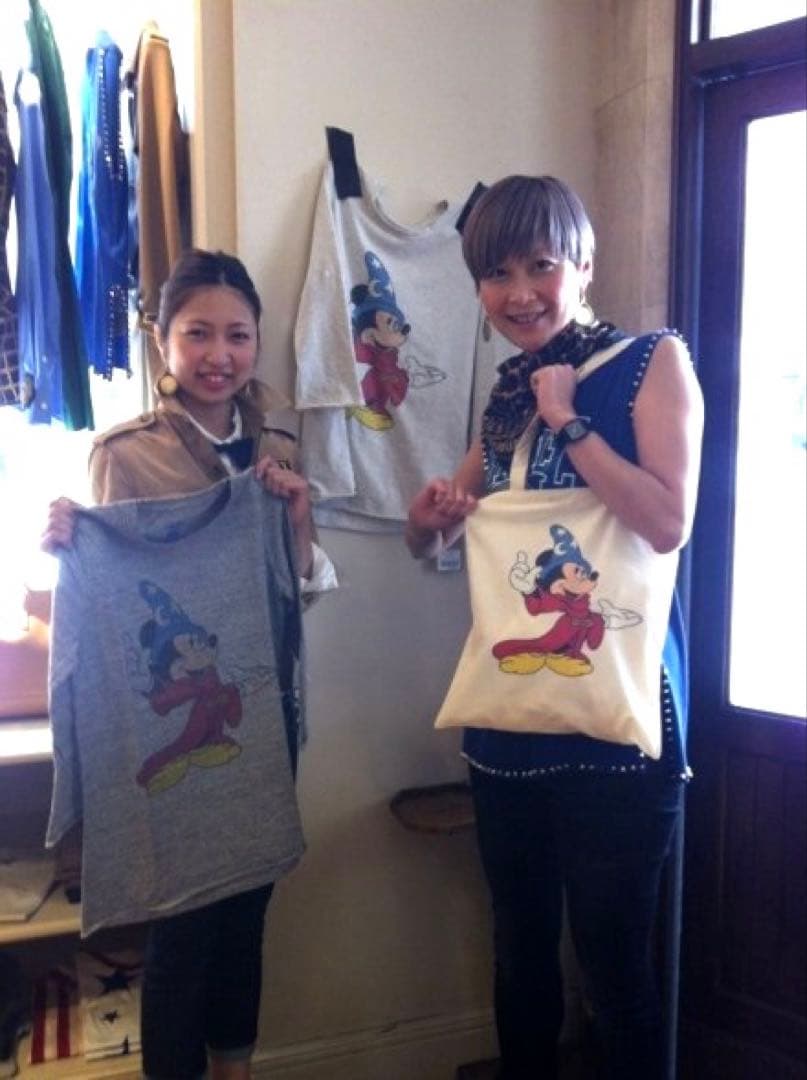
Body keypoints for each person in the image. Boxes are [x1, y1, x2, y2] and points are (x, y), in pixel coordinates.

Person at [406, 176, 703, 1080]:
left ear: (583, 264)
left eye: (540, 265)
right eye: (495, 274)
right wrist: (428, 520)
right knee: (520, 952)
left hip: (621, 720)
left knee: (616, 971)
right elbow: (442, 534)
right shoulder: (506, 395)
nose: (520, 292)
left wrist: (567, 419)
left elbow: (665, 522)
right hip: (509, 720)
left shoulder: (651, 361)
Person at [43, 248, 336, 1080]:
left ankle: (235, 1070)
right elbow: (121, 607)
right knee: (180, 925)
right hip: (176, 717)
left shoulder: (276, 443)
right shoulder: (124, 453)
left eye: (237, 335)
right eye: (198, 333)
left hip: (263, 708)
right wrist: (67, 544)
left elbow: (298, 592)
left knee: (246, 913)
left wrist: (298, 520)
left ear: (256, 342)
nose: (219, 354)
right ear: (162, 342)